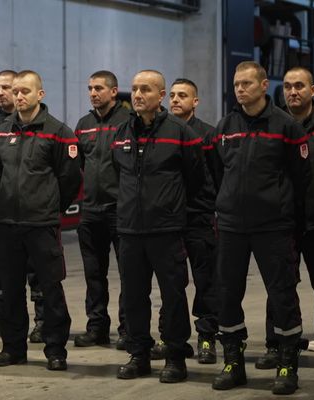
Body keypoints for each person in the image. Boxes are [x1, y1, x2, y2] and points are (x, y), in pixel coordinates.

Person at [207, 61, 309, 395]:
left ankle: (286, 363)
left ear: (264, 85)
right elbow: (217, 172)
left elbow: (300, 176)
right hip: (233, 227)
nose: (240, 89)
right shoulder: (225, 126)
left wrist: (282, 210)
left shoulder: (285, 126)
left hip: (273, 226)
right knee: (227, 294)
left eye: (247, 83)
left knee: (282, 294)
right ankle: (233, 362)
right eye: (237, 84)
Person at [0, 70, 81, 371]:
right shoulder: (1, 131)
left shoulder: (59, 132)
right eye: (15, 91)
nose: (19, 96)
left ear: (40, 94)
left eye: (25, 90)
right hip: (8, 225)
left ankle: (55, 350)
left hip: (41, 224)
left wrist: (50, 207)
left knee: (50, 289)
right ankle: (13, 349)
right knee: (11, 290)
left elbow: (69, 179)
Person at [112, 70, 204, 383]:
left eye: (146, 89)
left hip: (166, 230)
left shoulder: (180, 132)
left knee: (173, 295)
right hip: (130, 231)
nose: (138, 95)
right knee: (134, 295)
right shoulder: (122, 132)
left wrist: (170, 208)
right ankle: (139, 355)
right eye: (135, 89)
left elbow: (196, 178)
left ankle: (176, 357)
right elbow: (116, 175)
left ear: (161, 95)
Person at [147, 78, 218, 364]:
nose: (176, 100)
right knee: (170, 284)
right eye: (173, 95)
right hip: (167, 221)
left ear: (195, 101)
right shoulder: (158, 132)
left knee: (206, 282)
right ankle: (169, 336)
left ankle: (206, 337)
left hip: (198, 218)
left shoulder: (208, 135)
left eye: (183, 96)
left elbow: (215, 176)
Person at [0, 70, 45, 343]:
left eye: (8, 87)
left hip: (29, 207)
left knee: (35, 267)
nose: (2, 93)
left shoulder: (34, 122)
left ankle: (42, 320)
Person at [73, 70, 129, 349]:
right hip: (91, 211)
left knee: (128, 274)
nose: (93, 93)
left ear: (113, 91)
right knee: (94, 274)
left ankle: (128, 328)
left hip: (121, 210)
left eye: (98, 88)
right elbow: (79, 166)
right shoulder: (83, 124)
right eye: (90, 88)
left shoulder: (128, 122)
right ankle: (97, 327)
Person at [280, 67, 314, 367]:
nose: (293, 91)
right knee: (281, 290)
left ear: (313, 90)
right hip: (282, 225)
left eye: (299, 86)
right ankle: (281, 349)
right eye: (287, 86)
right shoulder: (275, 125)